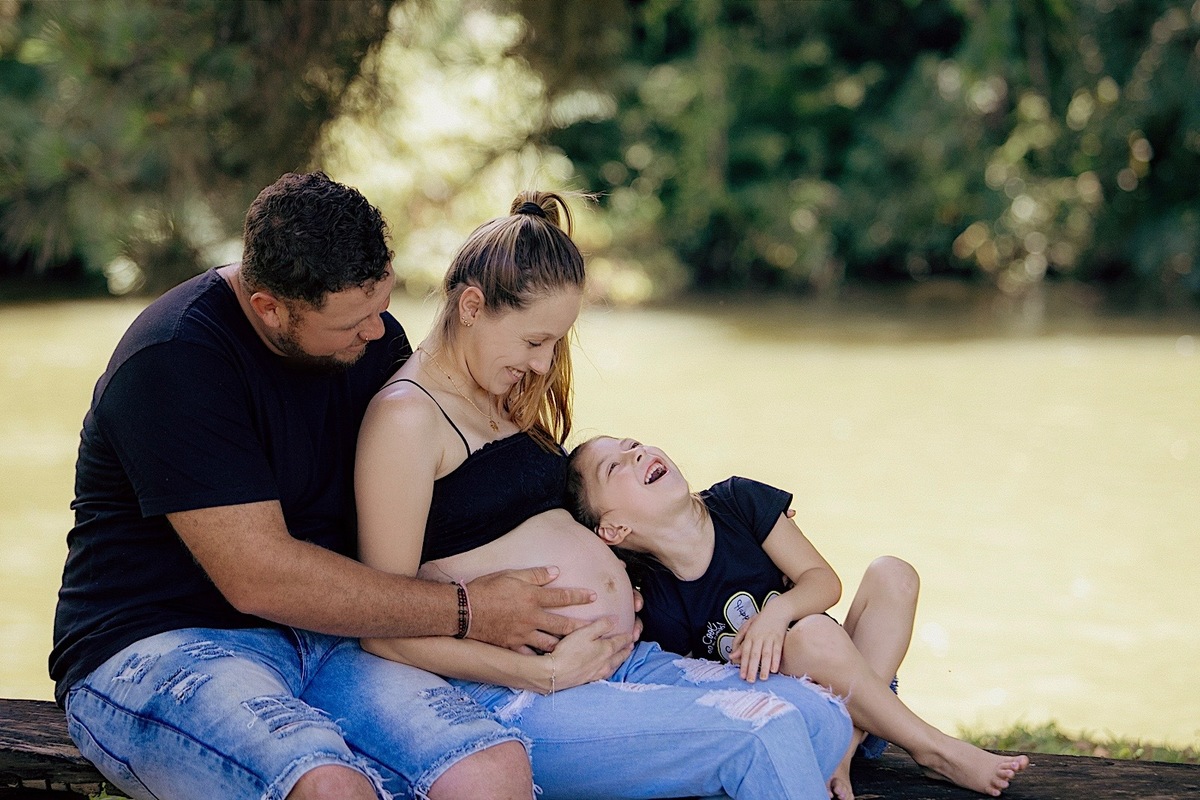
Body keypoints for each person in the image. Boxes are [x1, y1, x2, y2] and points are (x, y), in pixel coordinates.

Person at [50, 172, 603, 800]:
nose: (378, 336)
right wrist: (470, 611)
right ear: (269, 308)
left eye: (382, 306)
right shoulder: (176, 359)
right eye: (351, 323)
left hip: (328, 637)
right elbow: (259, 576)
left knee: (489, 770)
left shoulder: (370, 342)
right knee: (327, 788)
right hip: (157, 643)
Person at [354, 190, 854, 799]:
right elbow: (382, 625)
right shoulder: (408, 418)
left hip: (620, 659)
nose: (542, 366)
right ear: (472, 306)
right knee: (760, 734)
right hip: (518, 695)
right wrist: (542, 673)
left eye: (553, 345)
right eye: (534, 342)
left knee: (823, 716)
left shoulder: (497, 395)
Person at [564, 435, 1033, 799]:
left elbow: (824, 582)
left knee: (892, 574)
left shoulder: (738, 500)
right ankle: (931, 749)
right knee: (808, 639)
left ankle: (849, 749)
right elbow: (700, 686)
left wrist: (779, 611)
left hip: (862, 685)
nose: (637, 453)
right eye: (615, 466)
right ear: (614, 528)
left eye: (633, 444)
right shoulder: (658, 598)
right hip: (797, 717)